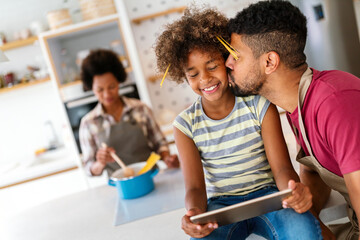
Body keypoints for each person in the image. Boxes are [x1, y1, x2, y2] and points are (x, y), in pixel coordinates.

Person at [155, 8, 322, 240]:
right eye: (192, 74)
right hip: (221, 208)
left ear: (226, 61)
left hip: (270, 197)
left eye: (212, 66)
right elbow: (194, 188)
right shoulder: (185, 125)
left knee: (303, 232)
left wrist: (292, 190)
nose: (205, 79)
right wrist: (193, 214)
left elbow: (282, 169)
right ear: (183, 76)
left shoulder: (259, 105)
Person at [225, 1, 360, 240]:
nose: (228, 63)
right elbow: (314, 173)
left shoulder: (334, 104)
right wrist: (304, 214)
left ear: (269, 62)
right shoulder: (297, 105)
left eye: (236, 56)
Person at [79, 49, 179, 178]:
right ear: (91, 88)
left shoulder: (140, 108)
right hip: (120, 187)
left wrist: (167, 159)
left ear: (119, 82)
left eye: (111, 87)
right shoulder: (88, 123)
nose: (107, 94)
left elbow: (160, 144)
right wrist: (100, 162)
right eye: (100, 90)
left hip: (152, 177)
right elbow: (89, 169)